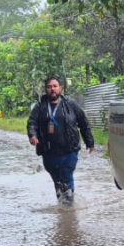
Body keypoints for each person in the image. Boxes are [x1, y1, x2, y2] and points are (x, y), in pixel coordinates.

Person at [27, 76, 95, 205]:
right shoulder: (40, 107)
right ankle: (63, 208)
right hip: (49, 152)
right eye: (49, 87)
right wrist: (32, 135)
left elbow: (83, 123)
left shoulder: (71, 104)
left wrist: (89, 141)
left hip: (69, 150)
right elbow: (32, 122)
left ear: (60, 88)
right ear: (46, 90)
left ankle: (68, 208)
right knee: (57, 181)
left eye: (55, 86)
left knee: (67, 176)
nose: (52, 89)